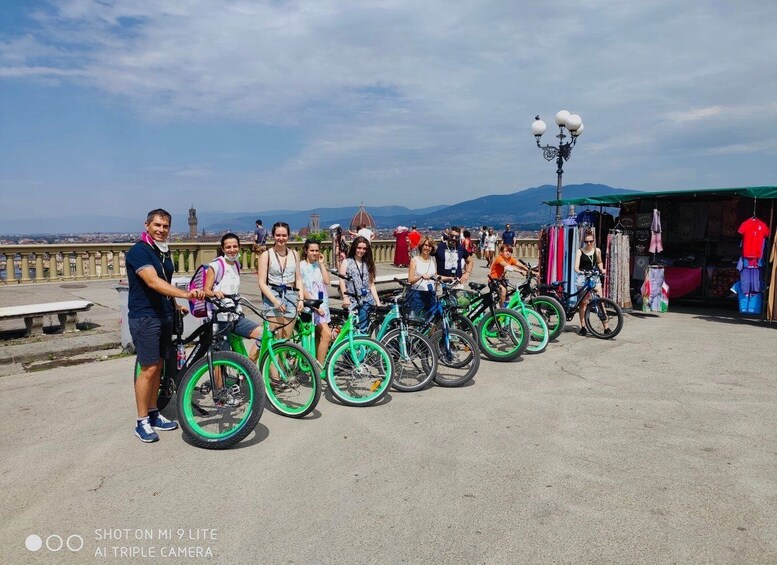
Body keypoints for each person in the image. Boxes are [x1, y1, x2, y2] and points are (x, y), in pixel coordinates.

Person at [126, 209, 204, 443]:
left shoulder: (162, 252)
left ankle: (153, 412)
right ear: (147, 225)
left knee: (158, 366)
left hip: (163, 315)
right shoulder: (139, 251)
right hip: (145, 317)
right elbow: (153, 281)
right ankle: (141, 422)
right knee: (148, 369)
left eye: (165, 226)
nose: (161, 229)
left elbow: (165, 283)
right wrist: (186, 294)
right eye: (157, 225)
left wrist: (175, 303)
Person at [204, 233, 262, 363]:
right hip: (220, 319)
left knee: (263, 335)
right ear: (223, 249)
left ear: (239, 247)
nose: (232, 250)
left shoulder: (236, 264)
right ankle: (218, 384)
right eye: (228, 247)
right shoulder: (216, 265)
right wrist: (215, 293)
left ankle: (248, 369)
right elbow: (206, 290)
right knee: (221, 358)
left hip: (236, 316)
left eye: (235, 246)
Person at [258, 222, 303, 341]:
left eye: (284, 235)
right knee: (275, 338)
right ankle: (272, 360)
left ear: (288, 236)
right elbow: (262, 282)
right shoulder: (266, 255)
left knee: (286, 339)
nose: (281, 238)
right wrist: (275, 301)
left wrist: (301, 298)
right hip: (273, 295)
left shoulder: (294, 254)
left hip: (291, 296)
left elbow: (298, 278)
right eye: (278, 235)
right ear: (273, 235)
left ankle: (284, 360)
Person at [299, 239, 332, 366]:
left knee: (319, 336)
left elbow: (327, 281)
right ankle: (320, 367)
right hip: (311, 305)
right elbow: (301, 286)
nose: (315, 253)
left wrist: (322, 264)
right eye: (312, 250)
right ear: (306, 251)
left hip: (323, 304)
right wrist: (314, 305)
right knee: (327, 335)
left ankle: (316, 362)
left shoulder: (318, 265)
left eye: (317, 251)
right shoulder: (301, 265)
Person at [339, 236, 382, 333]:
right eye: (359, 248)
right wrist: (345, 297)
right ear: (354, 248)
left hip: (366, 299)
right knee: (351, 327)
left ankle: (361, 347)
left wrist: (378, 302)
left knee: (363, 328)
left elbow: (371, 284)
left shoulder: (368, 263)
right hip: (352, 299)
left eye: (364, 249)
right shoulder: (347, 262)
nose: (361, 251)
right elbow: (341, 281)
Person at [574, 229, 609, 336]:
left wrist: (602, 269)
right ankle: (583, 326)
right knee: (583, 303)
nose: (588, 243)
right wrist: (580, 271)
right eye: (586, 242)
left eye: (590, 241)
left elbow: (599, 262)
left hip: (594, 277)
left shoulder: (597, 251)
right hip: (583, 278)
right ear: (584, 242)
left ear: (593, 241)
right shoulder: (580, 251)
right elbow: (576, 266)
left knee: (600, 301)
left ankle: (606, 327)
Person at [407, 237, 438, 316]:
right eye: (426, 245)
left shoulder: (433, 259)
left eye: (430, 246)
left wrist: (450, 278)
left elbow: (435, 276)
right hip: (418, 294)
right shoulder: (414, 260)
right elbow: (410, 279)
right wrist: (421, 276)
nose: (427, 248)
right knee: (415, 319)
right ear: (421, 246)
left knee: (432, 319)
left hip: (431, 293)